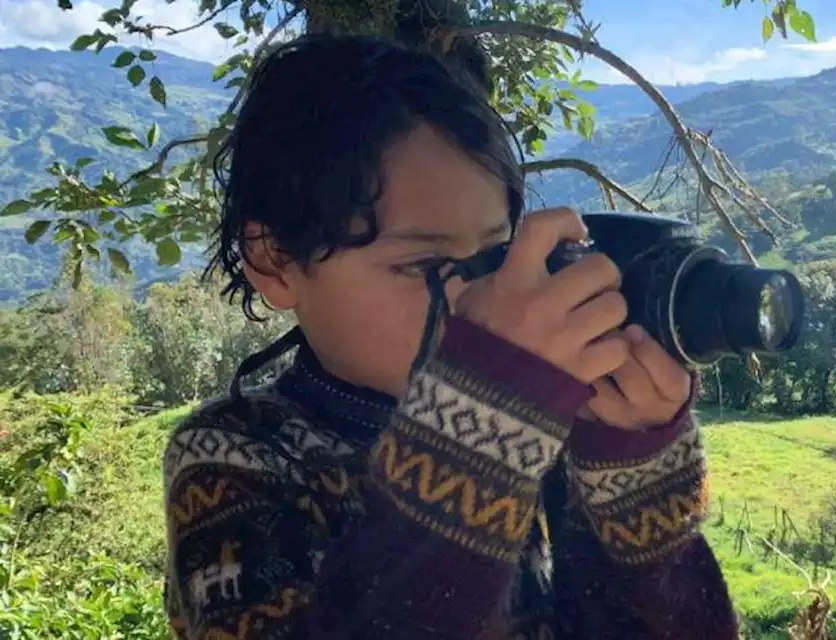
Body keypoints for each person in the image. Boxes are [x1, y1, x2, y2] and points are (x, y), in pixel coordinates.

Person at [161, 34, 737, 639]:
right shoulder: (233, 456)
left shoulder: (540, 431)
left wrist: (631, 469)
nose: (472, 297)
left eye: (493, 254)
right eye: (423, 267)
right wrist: (481, 426)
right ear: (275, 260)